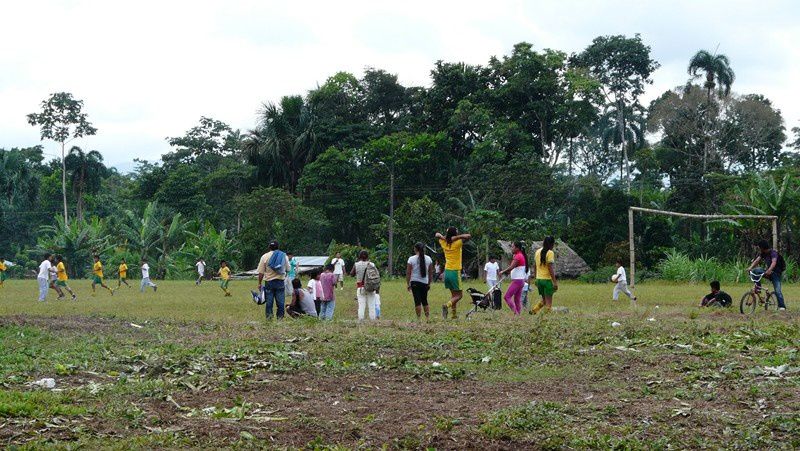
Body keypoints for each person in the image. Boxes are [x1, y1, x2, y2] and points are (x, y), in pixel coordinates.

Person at [435, 227, 472, 319]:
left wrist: (446, 238)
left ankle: (454, 315)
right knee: (459, 295)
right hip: (455, 271)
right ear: (455, 234)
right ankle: (446, 305)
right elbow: (468, 236)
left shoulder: (443, 243)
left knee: (453, 295)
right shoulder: (458, 243)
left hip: (447, 271)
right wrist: (457, 237)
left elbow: (437, 234)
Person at [747, 240, 787, 310]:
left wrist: (769, 270)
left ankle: (782, 306)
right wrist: (750, 268)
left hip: (776, 274)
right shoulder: (763, 253)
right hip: (767, 272)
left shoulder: (773, 253)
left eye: (759, 247)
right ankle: (758, 288)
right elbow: (757, 261)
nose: (759, 249)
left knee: (778, 291)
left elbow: (773, 262)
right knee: (755, 270)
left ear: (762, 247)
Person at [255, 241, 290, 319]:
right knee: (280, 303)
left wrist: (259, 283)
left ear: (269, 247)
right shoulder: (283, 256)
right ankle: (280, 318)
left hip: (269, 282)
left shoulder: (264, 256)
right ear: (278, 247)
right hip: (280, 282)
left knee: (269, 302)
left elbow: (261, 272)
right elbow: (288, 269)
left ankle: (269, 318)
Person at [406, 242, 433, 321]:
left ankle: (419, 319)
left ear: (415, 249)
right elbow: (430, 272)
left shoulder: (411, 259)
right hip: (425, 282)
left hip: (414, 282)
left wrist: (408, 284)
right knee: (424, 300)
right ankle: (427, 318)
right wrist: (429, 283)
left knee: (417, 301)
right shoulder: (428, 259)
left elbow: (408, 272)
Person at [499, 242, 528, 315]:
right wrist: (508, 272)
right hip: (521, 280)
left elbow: (511, 267)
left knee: (507, 297)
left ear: (517, 248)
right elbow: (514, 267)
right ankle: (518, 314)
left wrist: (502, 272)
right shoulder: (520, 255)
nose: (511, 248)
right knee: (517, 299)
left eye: (513, 247)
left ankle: (516, 313)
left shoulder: (518, 256)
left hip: (517, 280)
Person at [531, 236, 558, 314]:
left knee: (545, 300)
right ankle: (545, 319)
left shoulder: (537, 252)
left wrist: (536, 278)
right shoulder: (550, 252)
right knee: (548, 304)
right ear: (552, 244)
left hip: (539, 280)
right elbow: (550, 269)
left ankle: (534, 311)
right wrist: (555, 282)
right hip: (547, 280)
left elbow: (535, 266)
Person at [350, 250, 378, 321]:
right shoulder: (372, 264)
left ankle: (361, 320)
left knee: (361, 305)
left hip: (360, 287)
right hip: (371, 287)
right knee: (371, 305)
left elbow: (351, 274)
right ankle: (372, 319)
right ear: (368, 256)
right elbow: (376, 276)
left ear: (359, 256)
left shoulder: (356, 264)